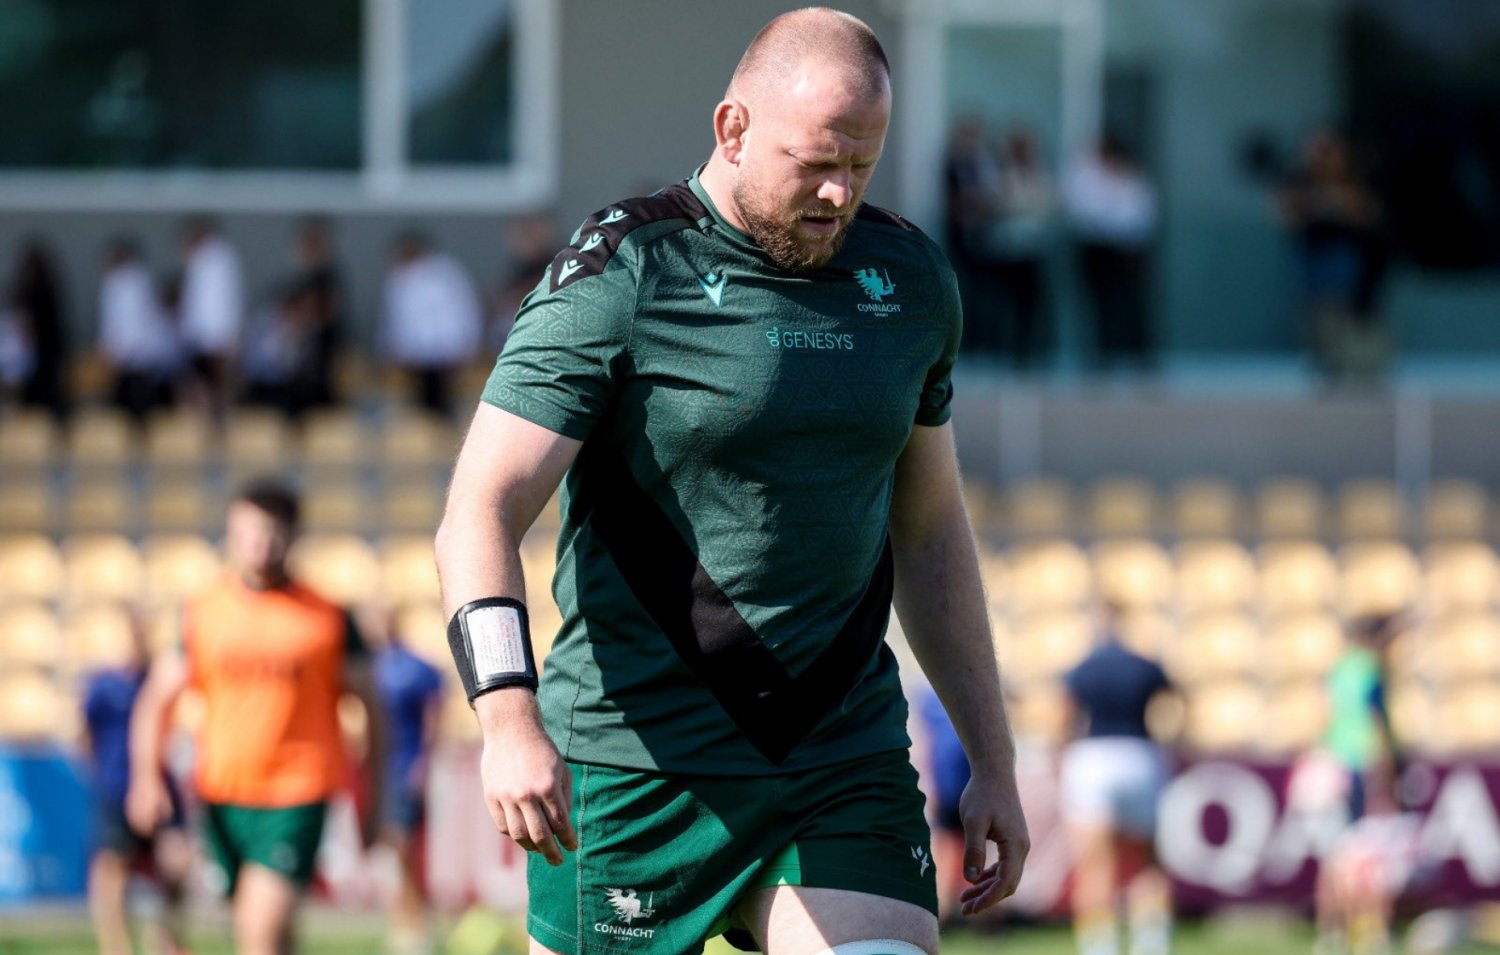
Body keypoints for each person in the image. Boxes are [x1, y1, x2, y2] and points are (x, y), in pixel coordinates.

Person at [433, 9, 1028, 955]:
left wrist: (992, 757)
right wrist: (506, 716)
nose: (838, 193)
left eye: (863, 165)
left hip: (840, 751)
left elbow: (930, 531)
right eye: (816, 162)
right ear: (733, 128)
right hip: (637, 765)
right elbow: (480, 507)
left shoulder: (912, 279)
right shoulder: (625, 268)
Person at [127, 480, 386, 955]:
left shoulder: (328, 616)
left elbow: (372, 708)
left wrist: (374, 795)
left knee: (259, 932)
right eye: (247, 531)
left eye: (270, 531)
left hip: (297, 791)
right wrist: (146, 778)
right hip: (223, 794)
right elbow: (156, 699)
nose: (259, 543)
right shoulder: (202, 611)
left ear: (293, 534)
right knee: (269, 934)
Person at [1059, 605, 1175, 955]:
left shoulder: (1082, 668)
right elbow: (1174, 705)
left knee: (1094, 863)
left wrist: (1061, 752)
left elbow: (1066, 716)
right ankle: (1151, 944)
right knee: (1147, 861)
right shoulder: (1145, 665)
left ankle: (1099, 946)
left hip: (1092, 759)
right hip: (1140, 755)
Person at [82, 608, 192, 955]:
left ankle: (165, 941)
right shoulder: (103, 686)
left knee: (176, 863)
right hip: (116, 786)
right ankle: (116, 947)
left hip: (161, 786)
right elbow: (85, 735)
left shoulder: (157, 679)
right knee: (112, 867)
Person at [1276, 129, 1389, 386]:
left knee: (1343, 310)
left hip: (1344, 253)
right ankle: (1324, 364)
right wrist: (1308, 203)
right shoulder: (1301, 181)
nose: (1323, 157)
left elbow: (1369, 214)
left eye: (1329, 151)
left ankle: (1351, 363)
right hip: (1312, 253)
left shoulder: (1353, 180)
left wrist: (1336, 201)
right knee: (1316, 313)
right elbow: (1286, 215)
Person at [368, 607, 445, 955]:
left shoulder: (415, 669)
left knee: (401, 847)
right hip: (381, 769)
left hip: (404, 767)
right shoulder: (373, 665)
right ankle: (402, 923)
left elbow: (432, 722)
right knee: (390, 850)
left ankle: (416, 926)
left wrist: (423, 764)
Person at [1063, 135, 1158, 370]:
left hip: (1128, 248)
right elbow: (1084, 210)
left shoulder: (1132, 176)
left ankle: (1137, 352)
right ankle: (1102, 353)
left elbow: (1142, 214)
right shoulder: (1086, 174)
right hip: (1097, 246)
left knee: (1131, 302)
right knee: (1100, 302)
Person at [381, 231, 483, 418]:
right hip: (414, 359)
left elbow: (463, 312)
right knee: (420, 414)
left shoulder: (446, 274)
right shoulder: (399, 277)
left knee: (443, 409)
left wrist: (465, 348)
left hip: (446, 356)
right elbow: (397, 319)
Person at [98, 237, 183, 425]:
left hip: (134, 361)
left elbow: (129, 326)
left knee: (135, 413)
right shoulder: (127, 282)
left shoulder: (127, 283)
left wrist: (116, 356)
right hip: (133, 359)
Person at [178, 217, 244, 424]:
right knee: (199, 386)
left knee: (219, 385)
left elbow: (224, 302)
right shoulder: (199, 261)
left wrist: (226, 339)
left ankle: (219, 424)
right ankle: (205, 424)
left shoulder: (220, 259)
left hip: (216, 338)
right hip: (202, 337)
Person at [6, 238, 70, 419]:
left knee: (44, 397)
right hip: (41, 354)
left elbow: (31, 325)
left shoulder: (40, 291)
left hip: (44, 353)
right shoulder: (46, 288)